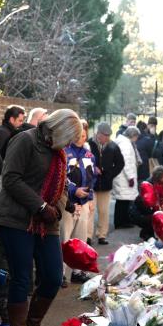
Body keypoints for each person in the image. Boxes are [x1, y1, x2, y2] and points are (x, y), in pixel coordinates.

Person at [0, 108, 83, 326]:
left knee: (53, 277)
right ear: (59, 130)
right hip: (17, 220)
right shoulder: (25, 140)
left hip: (47, 221)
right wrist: (41, 207)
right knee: (22, 278)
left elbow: (63, 184)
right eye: (68, 139)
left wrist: (57, 208)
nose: (68, 145)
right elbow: (10, 179)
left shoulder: (58, 152)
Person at [62, 120, 98, 285]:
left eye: (84, 135)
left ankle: (78, 272)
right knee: (64, 237)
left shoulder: (89, 155)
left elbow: (92, 178)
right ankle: (60, 273)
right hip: (67, 203)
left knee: (81, 238)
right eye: (78, 135)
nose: (81, 138)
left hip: (84, 203)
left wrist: (90, 199)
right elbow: (62, 178)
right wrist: (73, 190)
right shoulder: (63, 153)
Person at [88, 122, 124, 245]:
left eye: (109, 136)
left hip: (105, 184)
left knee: (103, 211)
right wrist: (92, 169)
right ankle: (88, 236)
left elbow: (120, 163)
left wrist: (110, 175)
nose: (107, 138)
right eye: (105, 135)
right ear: (98, 134)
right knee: (90, 210)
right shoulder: (89, 144)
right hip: (91, 184)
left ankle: (102, 235)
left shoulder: (113, 146)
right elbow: (83, 161)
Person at [130, 166, 163, 241]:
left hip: (145, 212)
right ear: (160, 176)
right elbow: (149, 205)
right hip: (139, 214)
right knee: (157, 216)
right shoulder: (148, 187)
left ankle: (149, 233)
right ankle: (146, 234)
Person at [113, 126, 140, 229]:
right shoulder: (126, 144)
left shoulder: (122, 142)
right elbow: (126, 162)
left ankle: (123, 221)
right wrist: (130, 177)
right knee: (123, 201)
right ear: (133, 135)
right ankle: (121, 222)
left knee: (123, 200)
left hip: (122, 176)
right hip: (124, 177)